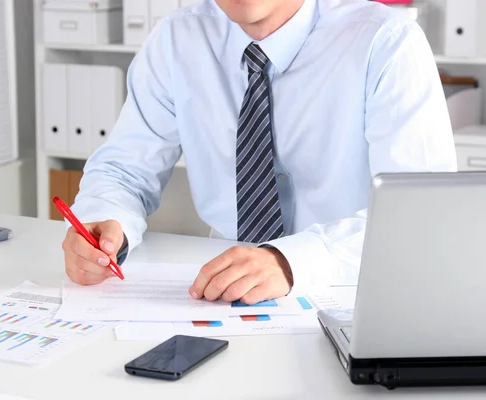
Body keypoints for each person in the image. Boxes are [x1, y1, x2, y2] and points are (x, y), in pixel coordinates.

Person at [62, 0, 457, 304]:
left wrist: (289, 262)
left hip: (351, 293)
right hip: (221, 293)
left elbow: (419, 219)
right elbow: (124, 170)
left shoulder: (385, 42)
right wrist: (104, 221)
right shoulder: (176, 39)